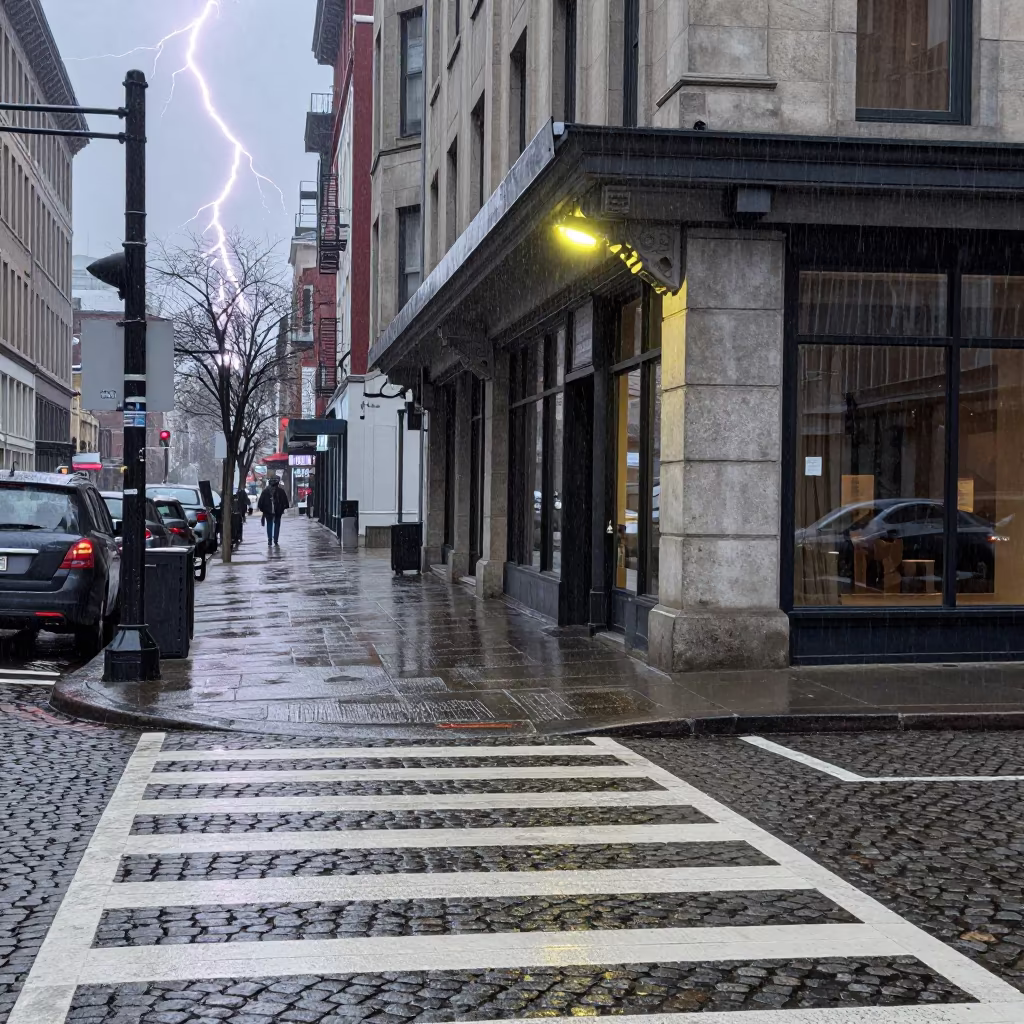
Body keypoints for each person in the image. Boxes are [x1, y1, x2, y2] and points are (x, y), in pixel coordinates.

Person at [257, 476, 290, 546]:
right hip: (278, 511)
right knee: (277, 525)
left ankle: (270, 540)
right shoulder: (281, 491)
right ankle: (275, 539)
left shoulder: (265, 491)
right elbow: (285, 502)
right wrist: (282, 509)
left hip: (268, 511)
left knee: (269, 524)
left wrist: (263, 510)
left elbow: (260, 503)